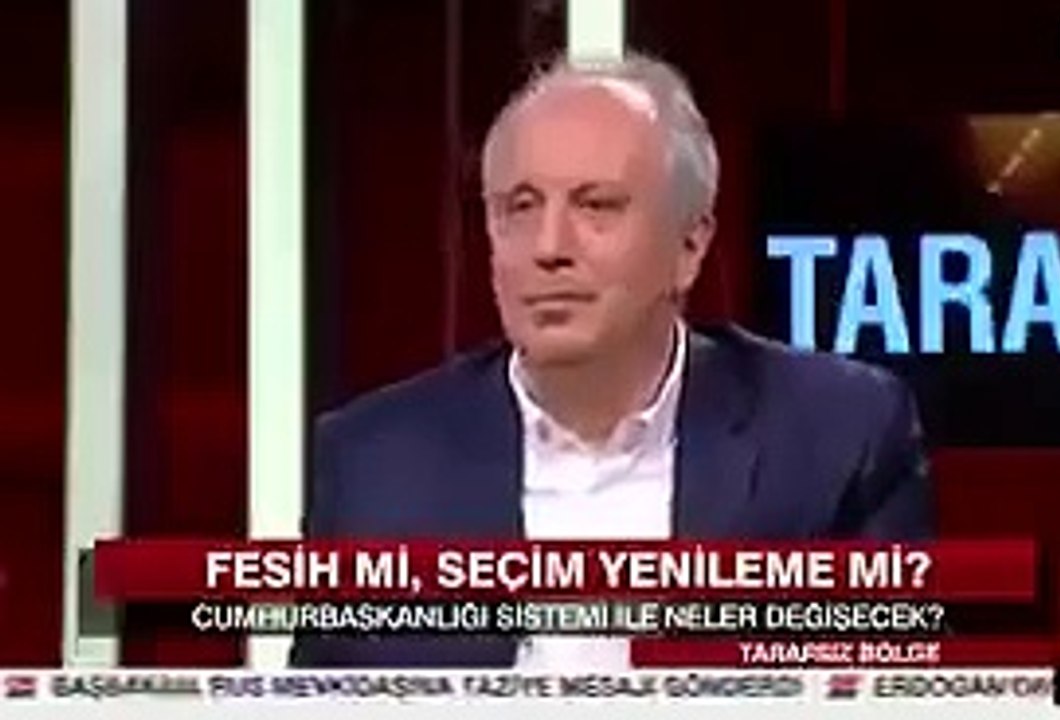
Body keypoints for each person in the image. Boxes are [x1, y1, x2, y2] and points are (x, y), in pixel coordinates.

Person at [291, 52, 932, 668]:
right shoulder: (373, 463)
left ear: (690, 245)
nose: (549, 247)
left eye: (596, 205)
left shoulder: (835, 436)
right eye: (520, 207)